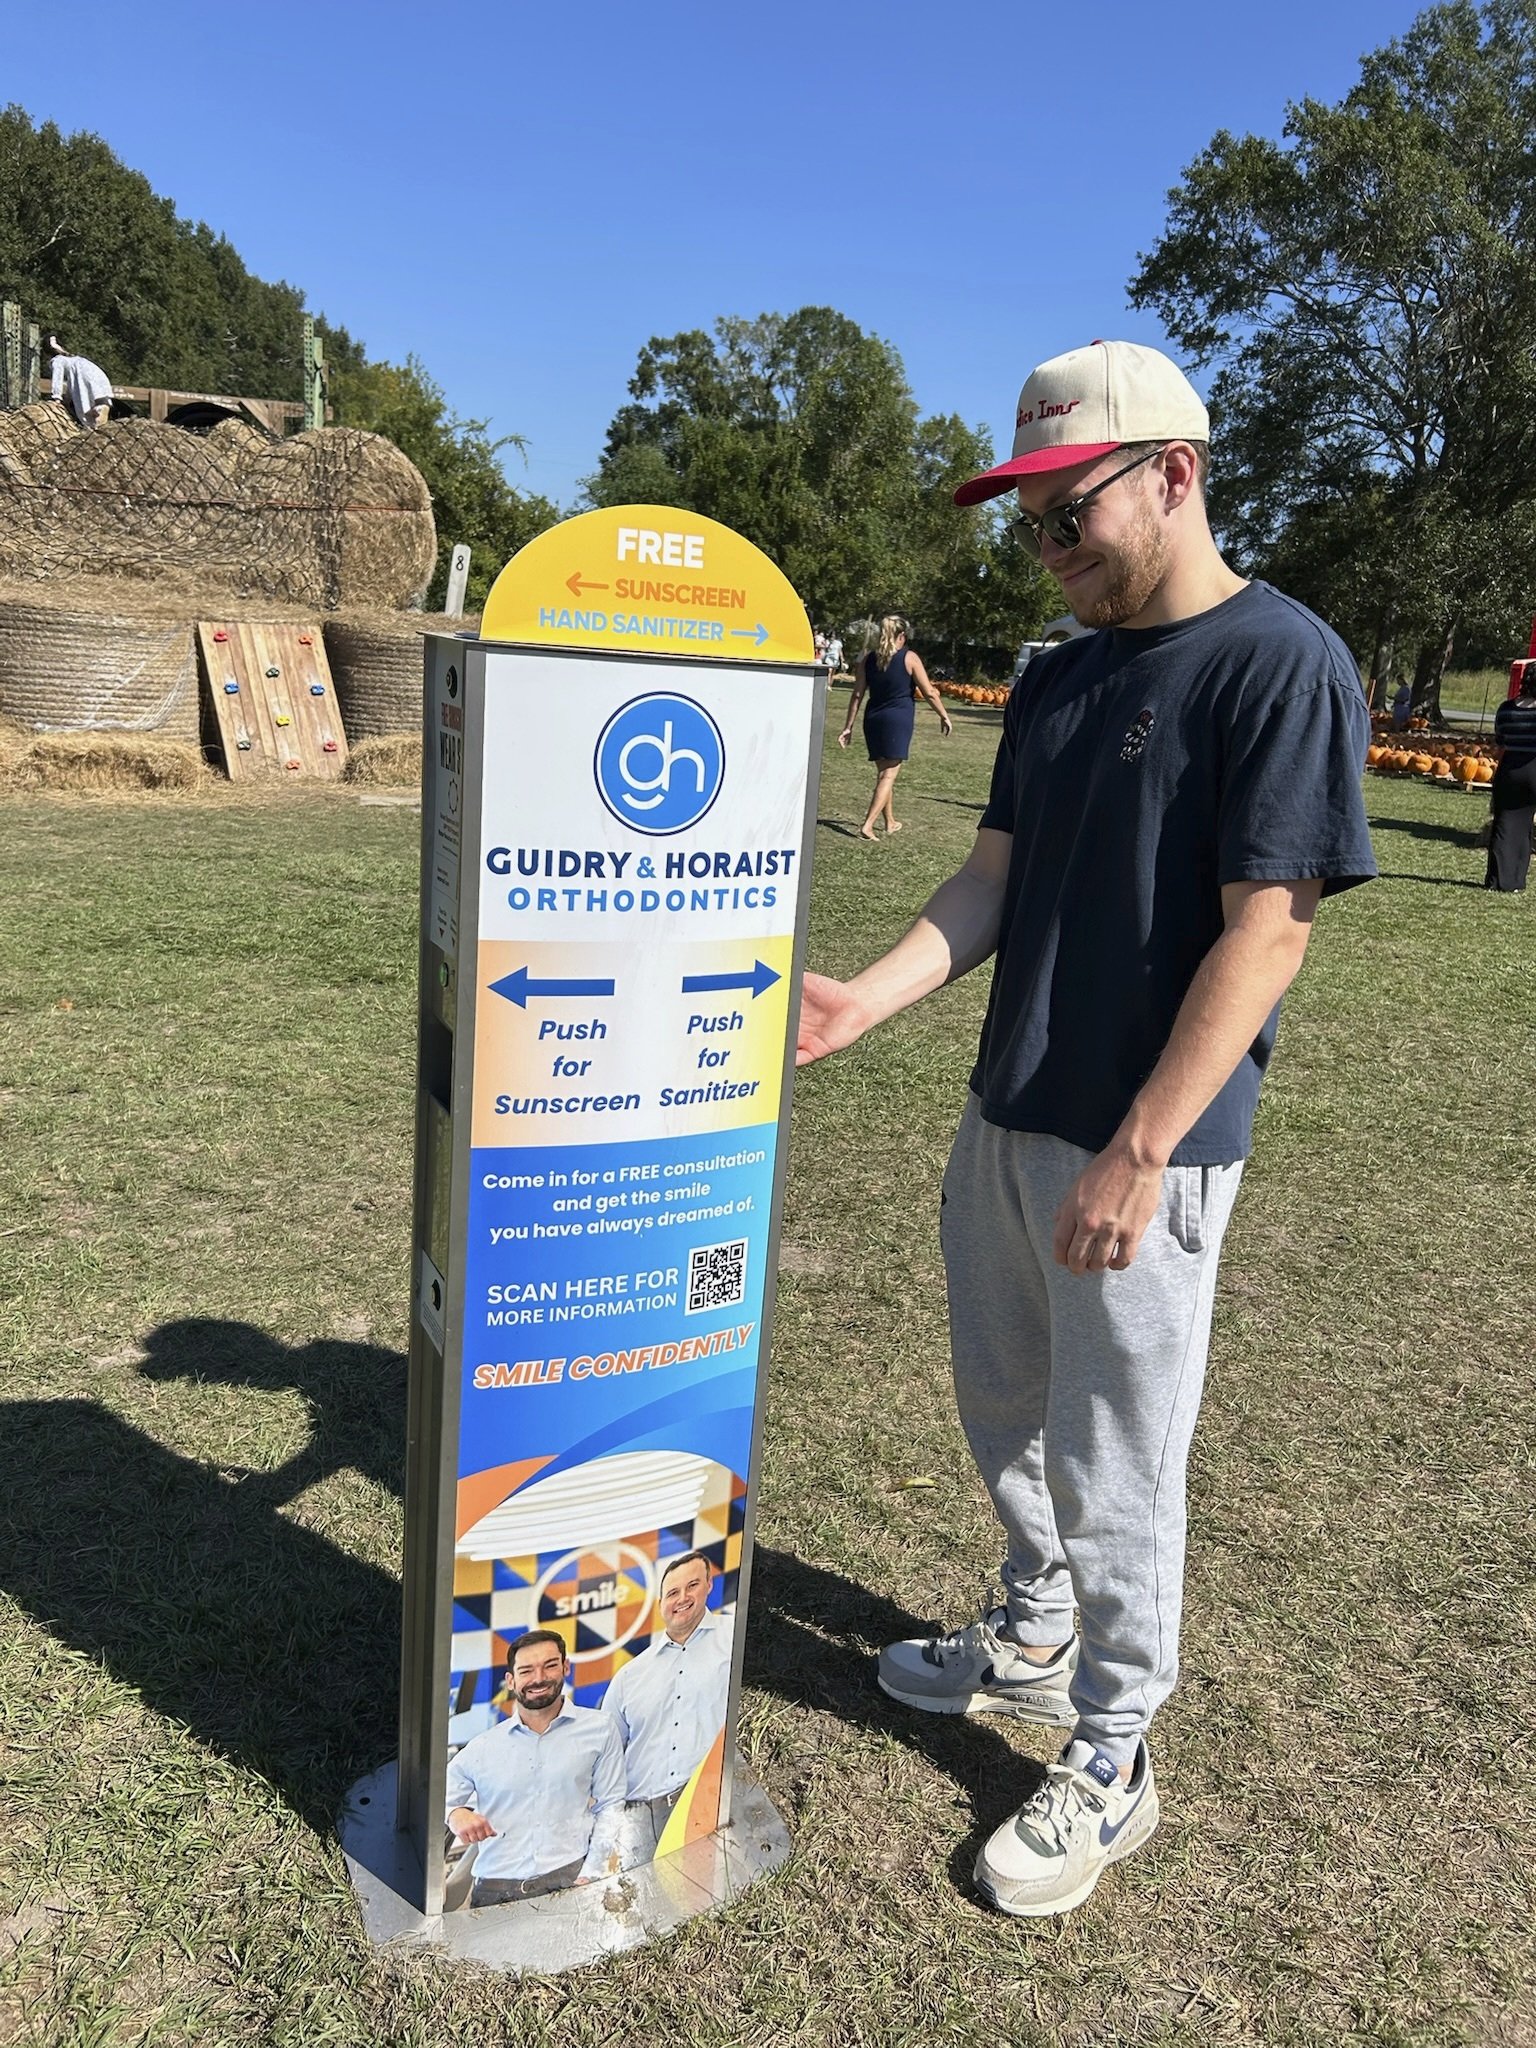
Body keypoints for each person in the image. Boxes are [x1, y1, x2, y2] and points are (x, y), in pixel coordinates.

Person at [797, 339, 1376, 1918]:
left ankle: (1114, 1748)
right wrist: (870, 999)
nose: (1047, 550)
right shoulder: (1058, 674)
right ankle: (1036, 1623)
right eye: (1029, 523)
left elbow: (1270, 925)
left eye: (1071, 515)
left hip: (1146, 1143)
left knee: (1121, 1457)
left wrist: (1140, 1148)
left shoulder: (1284, 661)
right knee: (1006, 1401)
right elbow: (989, 880)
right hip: (1007, 1107)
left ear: (1174, 477)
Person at [445, 1630, 624, 1906]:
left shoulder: (600, 1729)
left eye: (550, 1666)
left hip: (570, 1880)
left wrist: (593, 1873)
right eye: (526, 1670)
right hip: (494, 1892)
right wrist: (456, 1814)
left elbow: (611, 1806)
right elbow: (436, 1793)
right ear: (511, 1680)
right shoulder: (483, 1747)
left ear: (565, 1667)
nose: (538, 1678)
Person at [602, 1551, 734, 1865]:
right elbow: (605, 1757)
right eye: (672, 1593)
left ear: (709, 1586)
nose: (682, 1598)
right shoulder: (630, 1676)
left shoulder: (733, 1640)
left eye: (692, 1586)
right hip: (639, 1819)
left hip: (706, 1799)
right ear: (661, 1602)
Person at [839, 614, 952, 838]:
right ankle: (868, 825)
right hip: (897, 720)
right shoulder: (909, 658)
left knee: (883, 772)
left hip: (873, 719)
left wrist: (848, 726)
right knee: (888, 775)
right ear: (901, 636)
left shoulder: (868, 659)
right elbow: (929, 691)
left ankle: (890, 822)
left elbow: (857, 695)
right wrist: (944, 715)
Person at [1484, 669, 1536, 891]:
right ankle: (1516, 880)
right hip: (1533, 769)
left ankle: (1497, 879)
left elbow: (1500, 740)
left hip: (1509, 769)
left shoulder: (1506, 709)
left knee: (1503, 824)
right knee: (1525, 825)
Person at [46, 336, 113, 430]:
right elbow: (71, 383)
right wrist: (68, 398)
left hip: (82, 375)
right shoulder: (76, 359)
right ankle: (100, 411)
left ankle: (92, 426)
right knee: (100, 399)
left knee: (84, 406)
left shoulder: (58, 360)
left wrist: (57, 397)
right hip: (96, 373)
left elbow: (58, 377)